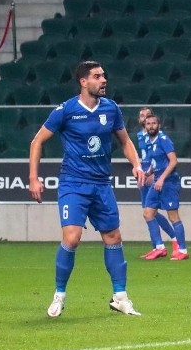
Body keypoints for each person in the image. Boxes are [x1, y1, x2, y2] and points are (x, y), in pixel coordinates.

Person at [28, 60, 144, 317]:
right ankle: (59, 295)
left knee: (113, 238)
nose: (104, 80)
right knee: (72, 238)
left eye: (104, 75)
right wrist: (33, 178)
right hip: (73, 183)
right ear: (83, 81)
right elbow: (37, 142)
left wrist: (136, 164)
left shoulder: (111, 109)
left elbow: (124, 141)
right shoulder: (66, 110)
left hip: (102, 184)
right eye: (97, 76)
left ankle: (120, 297)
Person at [140, 114, 189, 261]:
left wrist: (161, 178)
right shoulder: (148, 141)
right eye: (148, 124)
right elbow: (155, 162)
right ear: (145, 126)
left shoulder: (164, 140)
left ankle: (182, 249)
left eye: (154, 123)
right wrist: (147, 173)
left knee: (173, 216)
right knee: (148, 213)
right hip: (157, 181)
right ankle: (159, 248)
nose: (151, 126)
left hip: (168, 182)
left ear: (159, 125)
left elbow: (173, 161)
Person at [135, 106, 177, 258]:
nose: (145, 118)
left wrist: (154, 173)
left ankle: (171, 240)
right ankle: (159, 245)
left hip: (155, 174)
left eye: (148, 115)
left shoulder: (159, 137)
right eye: (142, 115)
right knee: (148, 210)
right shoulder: (140, 135)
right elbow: (142, 155)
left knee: (151, 210)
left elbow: (162, 157)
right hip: (145, 174)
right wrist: (140, 171)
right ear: (140, 120)